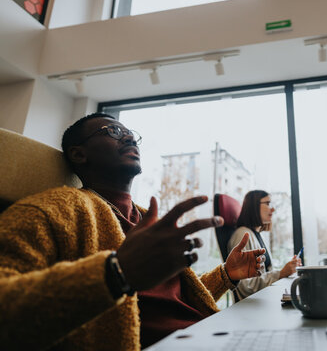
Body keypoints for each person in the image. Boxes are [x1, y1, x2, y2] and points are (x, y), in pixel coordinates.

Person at [0, 114, 266, 350]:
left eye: (131, 133)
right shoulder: (53, 209)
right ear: (79, 154)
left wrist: (227, 275)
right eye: (113, 131)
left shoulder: (147, 219)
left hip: (209, 337)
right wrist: (115, 274)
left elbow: (168, 302)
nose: (128, 136)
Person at [227, 190, 302, 300]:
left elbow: (264, 273)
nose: (272, 209)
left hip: (263, 299)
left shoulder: (257, 235)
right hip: (251, 307)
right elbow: (246, 286)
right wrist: (280, 274)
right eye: (267, 203)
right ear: (254, 206)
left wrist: (286, 270)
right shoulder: (243, 235)